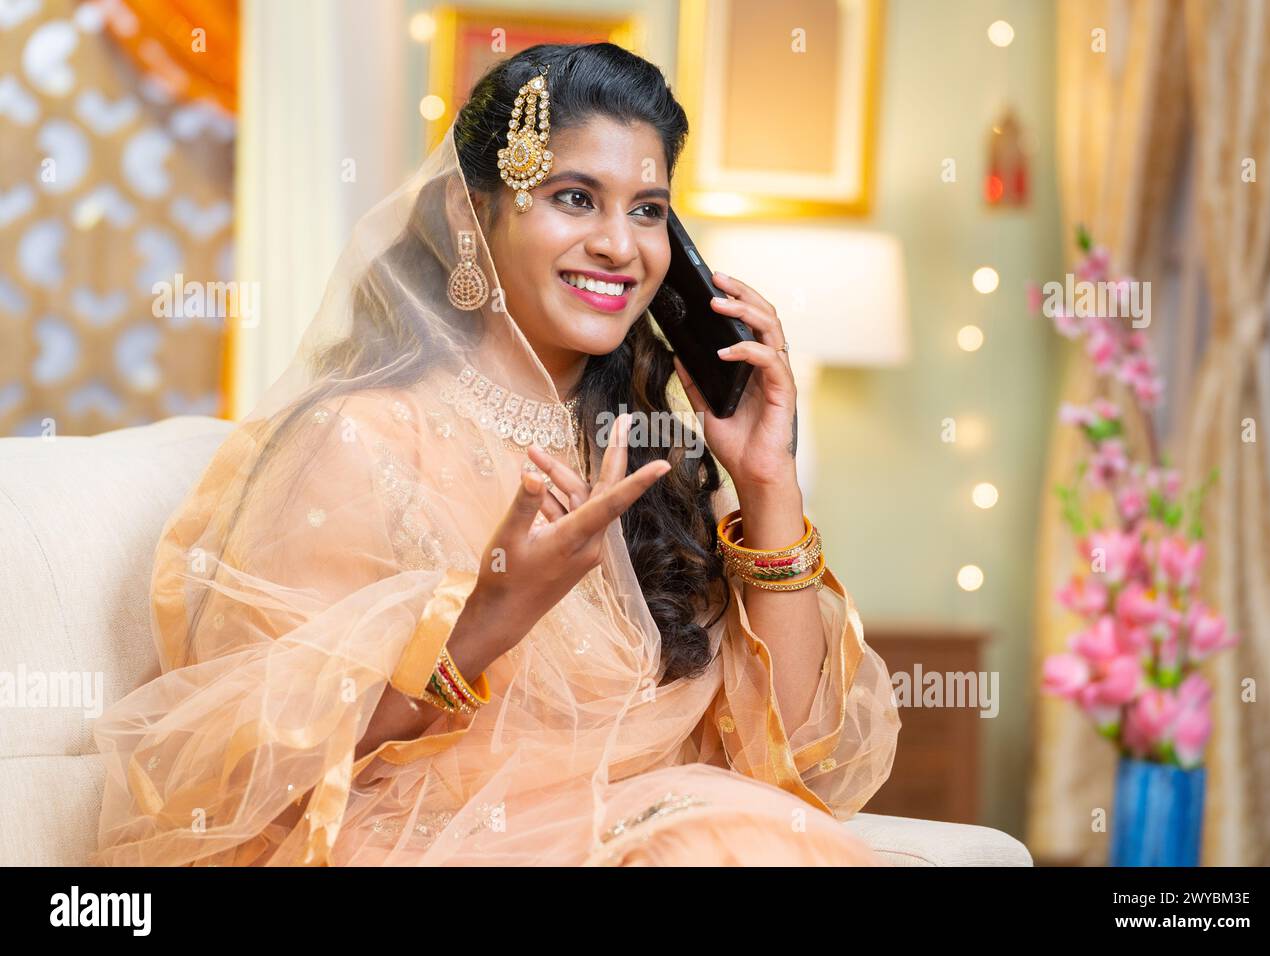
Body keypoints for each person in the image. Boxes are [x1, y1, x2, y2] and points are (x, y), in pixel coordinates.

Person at [91, 43, 900, 866]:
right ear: (469, 214)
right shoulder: (360, 439)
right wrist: (487, 620)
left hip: (657, 829)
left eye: (648, 209)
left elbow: (793, 764)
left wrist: (767, 481)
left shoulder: (649, 452)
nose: (620, 245)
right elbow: (248, 779)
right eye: (575, 197)